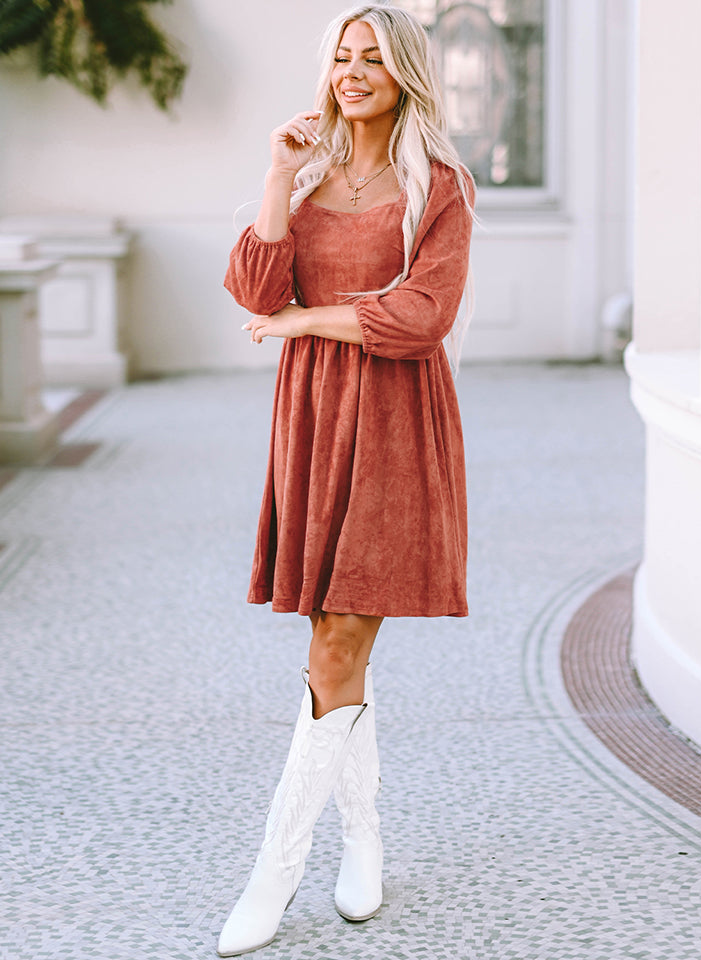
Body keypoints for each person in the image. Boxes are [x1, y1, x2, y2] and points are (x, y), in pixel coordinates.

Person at [218, 4, 475, 955]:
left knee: (337, 642)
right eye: (342, 57)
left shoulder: (438, 185)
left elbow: (421, 317)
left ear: (405, 72)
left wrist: (301, 324)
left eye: (373, 58)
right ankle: (362, 840)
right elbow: (254, 285)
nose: (353, 71)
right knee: (338, 643)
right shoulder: (314, 169)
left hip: (396, 425)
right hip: (314, 418)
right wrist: (280, 174)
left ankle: (270, 878)